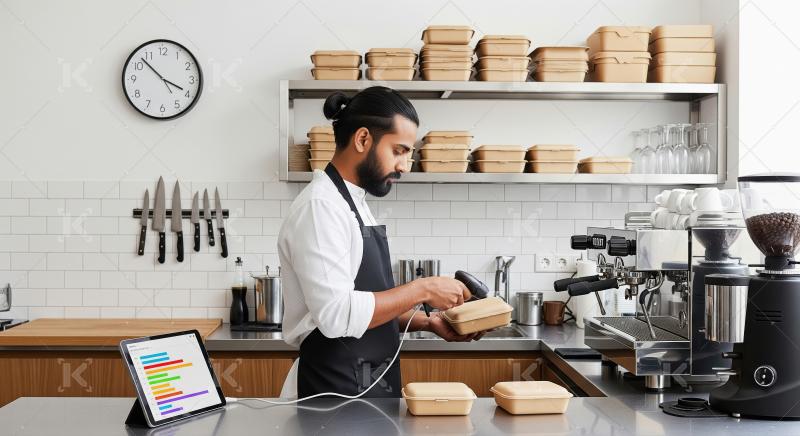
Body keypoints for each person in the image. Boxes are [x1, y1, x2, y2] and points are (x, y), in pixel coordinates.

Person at [278, 86, 484, 398]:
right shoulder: (321, 207)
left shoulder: (353, 203)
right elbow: (336, 316)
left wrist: (427, 322)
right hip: (331, 394)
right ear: (363, 139)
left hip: (366, 388)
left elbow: (364, 305)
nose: (404, 166)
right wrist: (424, 289)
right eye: (398, 151)